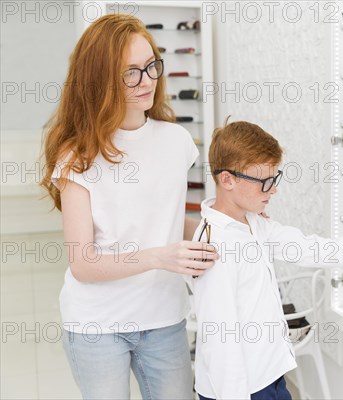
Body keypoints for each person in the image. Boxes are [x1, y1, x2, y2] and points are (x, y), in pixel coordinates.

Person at [39, 14, 217, 399]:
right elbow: (83, 263)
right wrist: (159, 257)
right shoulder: (78, 156)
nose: (148, 80)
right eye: (130, 73)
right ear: (100, 80)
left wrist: (228, 227)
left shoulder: (176, 141)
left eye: (151, 65)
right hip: (97, 325)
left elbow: (173, 221)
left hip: (165, 318)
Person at [190, 119, 343, 399]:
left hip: (271, 373)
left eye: (274, 179)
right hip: (241, 389)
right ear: (227, 179)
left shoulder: (255, 225)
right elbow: (220, 341)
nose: (273, 190)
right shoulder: (213, 247)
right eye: (264, 182)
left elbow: (307, 248)